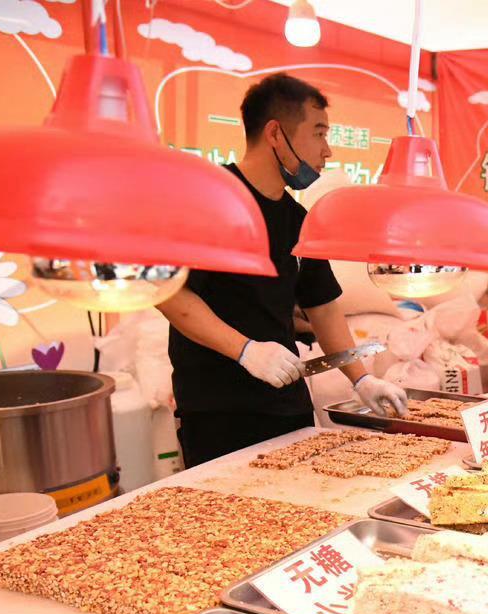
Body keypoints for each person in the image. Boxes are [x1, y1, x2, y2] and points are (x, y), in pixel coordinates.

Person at [158, 73, 407, 467]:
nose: (328, 151)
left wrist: (360, 378)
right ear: (276, 133)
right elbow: (169, 293)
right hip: (218, 410)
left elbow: (323, 307)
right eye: (319, 133)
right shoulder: (211, 199)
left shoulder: (296, 219)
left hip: (287, 403)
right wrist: (244, 351)